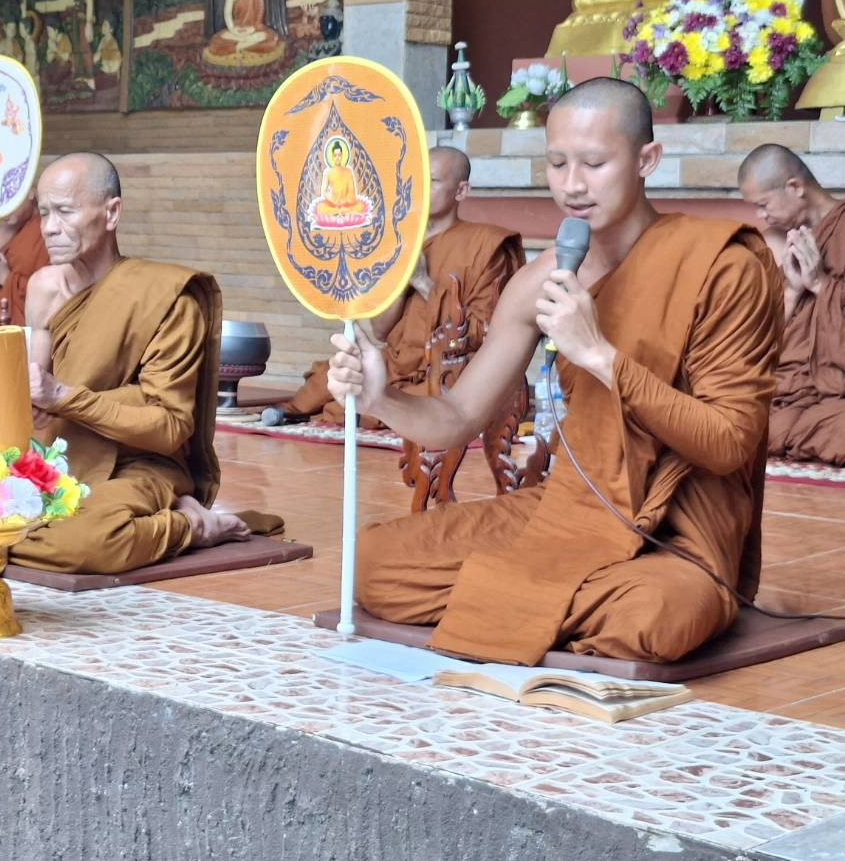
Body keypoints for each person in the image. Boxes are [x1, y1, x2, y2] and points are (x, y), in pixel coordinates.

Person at [325, 78, 782, 664]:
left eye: (594, 163)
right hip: (562, 512)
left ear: (648, 159)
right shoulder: (543, 279)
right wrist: (381, 397)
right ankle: (545, 602)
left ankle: (516, 599)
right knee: (374, 564)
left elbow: (729, 444)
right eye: (557, 162)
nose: (572, 185)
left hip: (675, 532)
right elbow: (458, 417)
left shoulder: (722, 266)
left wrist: (599, 356)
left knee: (658, 615)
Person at [9, 152, 252, 574]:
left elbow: (170, 425)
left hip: (139, 463)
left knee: (80, 544)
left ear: (111, 212)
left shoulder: (166, 298)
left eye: (65, 211)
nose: (49, 227)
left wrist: (63, 396)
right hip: (65, 453)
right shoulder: (43, 288)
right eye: (44, 212)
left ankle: (189, 525)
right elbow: (38, 396)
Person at [268, 146, 524, 427]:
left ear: (461, 191)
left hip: (450, 366)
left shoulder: (486, 246)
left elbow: (483, 334)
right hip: (397, 361)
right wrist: (403, 281)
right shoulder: (399, 244)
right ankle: (324, 411)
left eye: (433, 181)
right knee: (327, 378)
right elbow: (381, 330)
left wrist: (423, 283)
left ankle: (355, 412)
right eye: (417, 180)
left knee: (422, 400)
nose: (421, 190)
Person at [737, 144, 845, 464]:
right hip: (784, 390)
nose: (760, 216)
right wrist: (794, 291)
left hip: (833, 392)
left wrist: (821, 284)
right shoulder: (772, 241)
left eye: (763, 205)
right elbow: (758, 340)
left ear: (795, 187)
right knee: (730, 419)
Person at [0, 193, 48, 324]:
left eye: (8, 198)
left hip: (26, 327)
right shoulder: (0, 235)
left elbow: (52, 292)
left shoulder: (45, 231)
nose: (2, 209)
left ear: (30, 192)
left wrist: (5, 276)